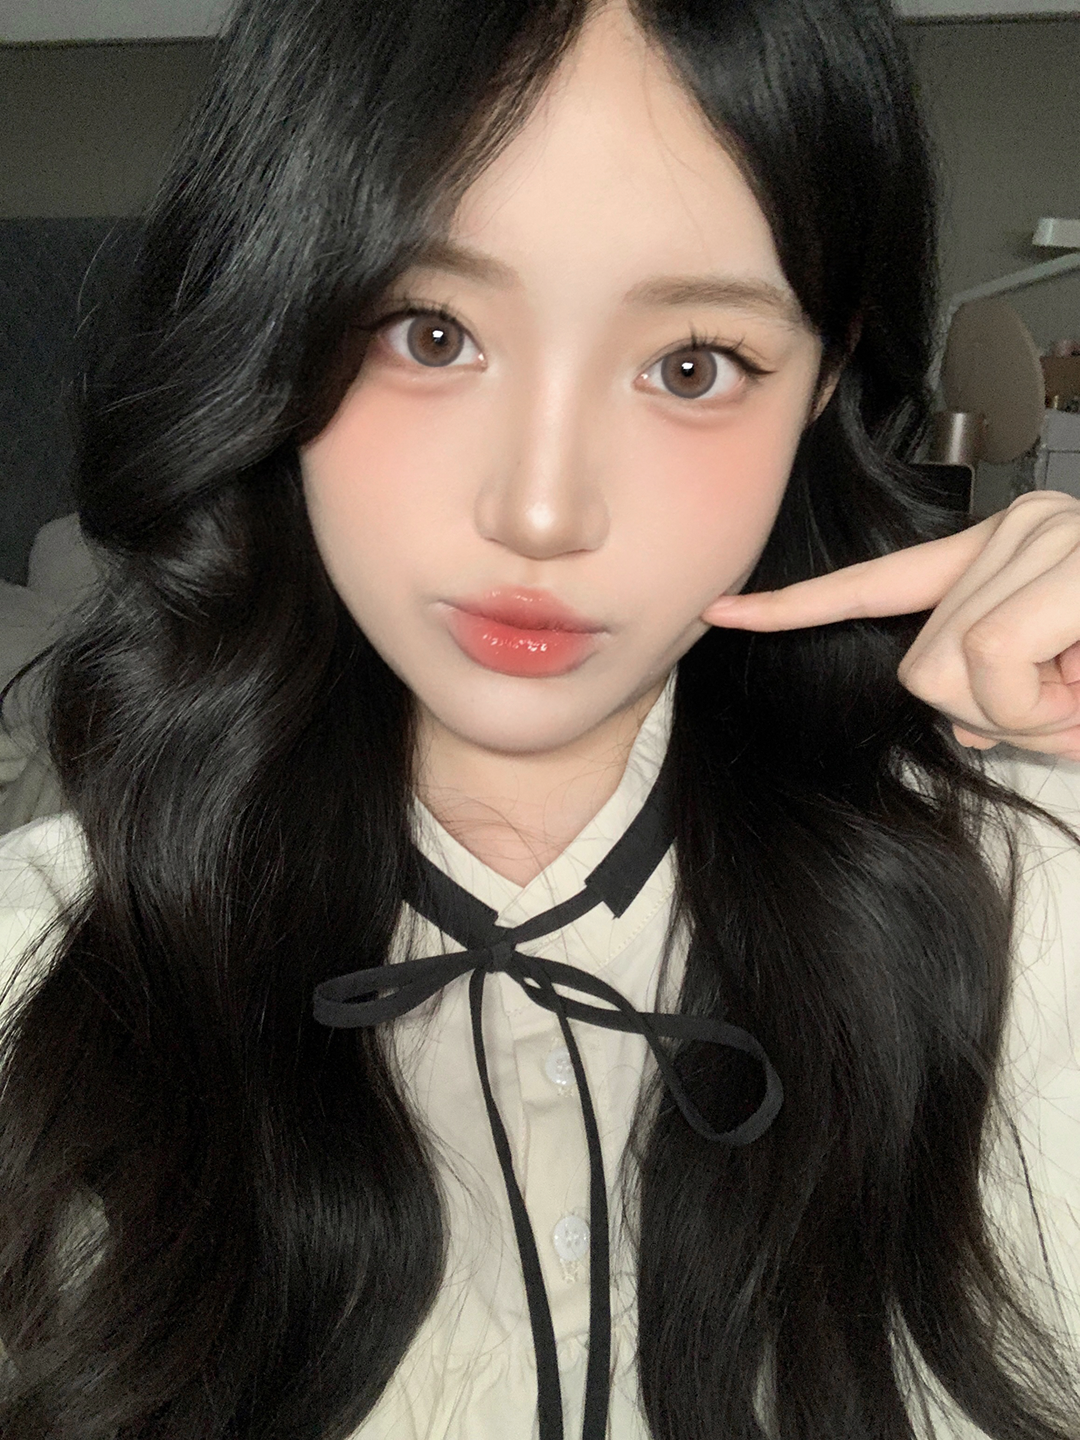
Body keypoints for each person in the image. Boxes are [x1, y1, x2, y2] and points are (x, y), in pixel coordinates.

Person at [1, 0, 1079, 1436]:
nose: (543, 511)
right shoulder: (38, 960)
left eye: (692, 364)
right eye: (430, 332)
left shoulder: (1034, 904)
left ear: (823, 380)